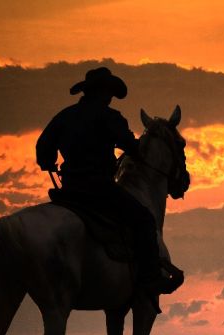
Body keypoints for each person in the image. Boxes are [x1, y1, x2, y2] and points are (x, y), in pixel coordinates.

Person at [35, 66, 181, 296]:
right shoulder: (110, 117)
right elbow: (131, 147)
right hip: (100, 188)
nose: (111, 97)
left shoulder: (64, 116)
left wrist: (49, 162)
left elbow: (43, 149)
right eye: (109, 92)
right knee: (143, 219)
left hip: (70, 189)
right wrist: (134, 147)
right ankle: (150, 278)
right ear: (103, 93)